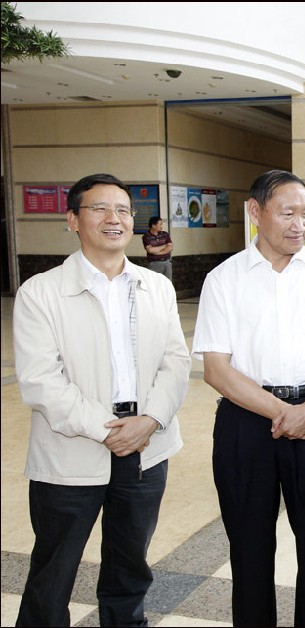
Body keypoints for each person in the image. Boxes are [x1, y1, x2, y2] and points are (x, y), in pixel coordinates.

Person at [13, 173, 189, 626]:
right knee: (54, 570)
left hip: (146, 449)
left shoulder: (157, 287)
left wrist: (149, 419)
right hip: (71, 450)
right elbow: (40, 380)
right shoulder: (41, 292)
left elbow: (175, 362)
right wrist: (108, 430)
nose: (115, 219)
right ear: (72, 219)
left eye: (123, 210)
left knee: (130, 567)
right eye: (100, 209)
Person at [192, 170, 305, 627]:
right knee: (248, 545)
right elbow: (216, 369)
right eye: (288, 212)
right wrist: (285, 413)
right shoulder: (224, 279)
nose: (299, 224)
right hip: (248, 422)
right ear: (255, 211)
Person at [142, 215, 174, 280]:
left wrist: (158, 252)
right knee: (154, 283)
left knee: (167, 283)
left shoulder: (165, 234)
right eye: (160, 224)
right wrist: (164, 246)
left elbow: (170, 247)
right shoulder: (146, 237)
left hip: (166, 263)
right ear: (153, 226)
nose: (161, 226)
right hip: (154, 264)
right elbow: (150, 250)